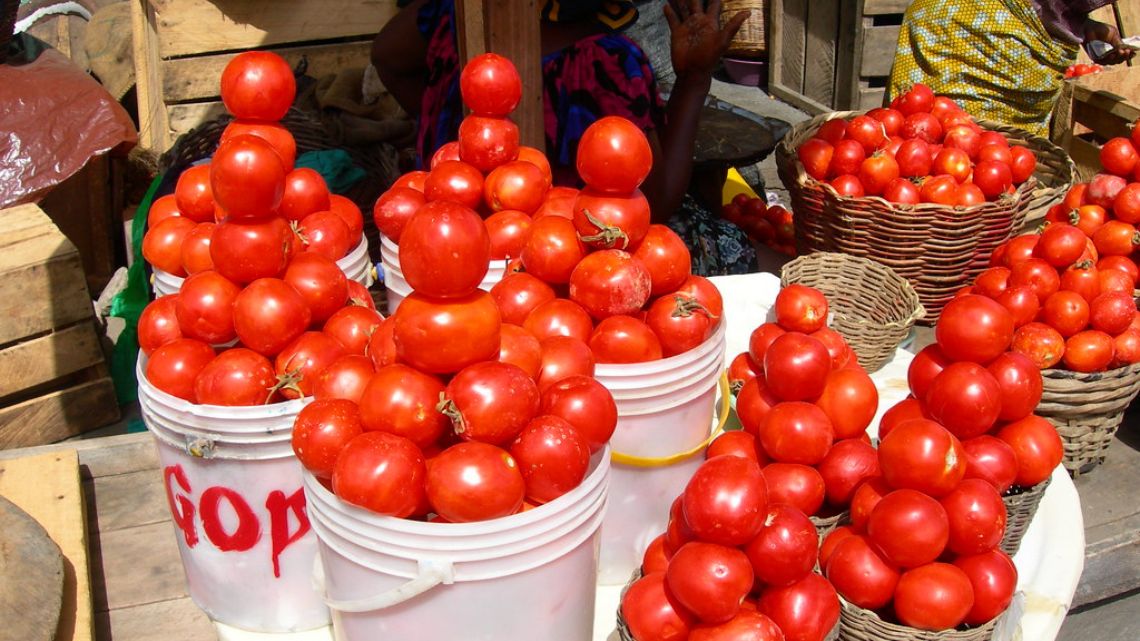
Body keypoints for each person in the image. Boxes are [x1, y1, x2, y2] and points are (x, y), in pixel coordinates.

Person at [372, 0, 760, 275]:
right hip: (566, 253)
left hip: (447, 239)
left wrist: (455, 131)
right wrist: (694, 80)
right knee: (732, 243)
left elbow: (386, 56)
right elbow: (650, 206)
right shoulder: (608, 61)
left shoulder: (446, 15)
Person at [888, 0, 1133, 138]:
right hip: (959, 31)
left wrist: (1083, 27)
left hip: (980, 27)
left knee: (996, 167)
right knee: (928, 141)